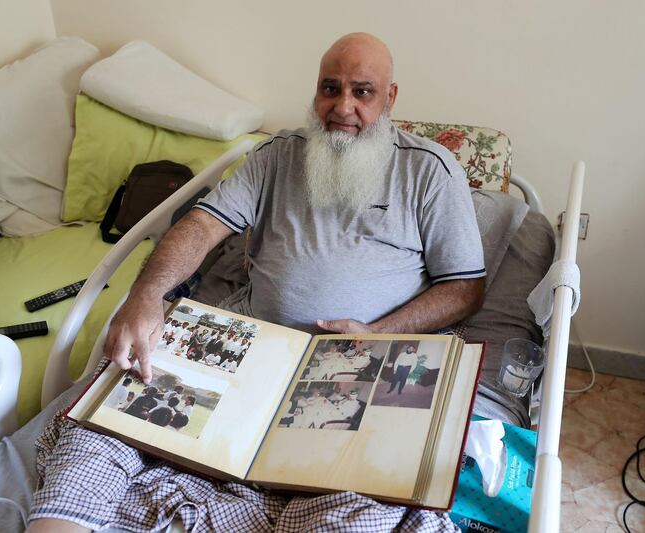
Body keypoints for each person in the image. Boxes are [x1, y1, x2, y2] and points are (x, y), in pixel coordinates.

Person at [27, 32, 484, 533]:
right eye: (330, 89)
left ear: (390, 98)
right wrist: (146, 296)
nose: (342, 106)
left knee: (366, 501)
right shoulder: (277, 155)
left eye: (362, 91)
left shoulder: (431, 172)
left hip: (367, 358)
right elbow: (202, 225)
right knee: (103, 428)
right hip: (252, 343)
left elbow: (464, 288)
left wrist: (383, 332)